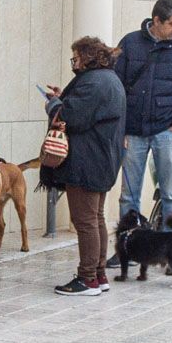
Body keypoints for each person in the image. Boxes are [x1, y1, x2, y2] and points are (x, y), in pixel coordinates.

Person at [46, 37, 127, 296]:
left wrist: (55, 105)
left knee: (85, 221)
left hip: (86, 161)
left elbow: (72, 117)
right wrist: (63, 99)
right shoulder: (108, 79)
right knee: (96, 217)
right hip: (102, 159)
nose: (74, 63)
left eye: (77, 57)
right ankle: (99, 274)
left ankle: (87, 278)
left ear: (88, 57)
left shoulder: (94, 82)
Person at [115, 0, 172, 220]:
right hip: (133, 132)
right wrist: (121, 127)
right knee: (128, 196)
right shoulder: (129, 42)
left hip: (167, 131)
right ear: (157, 20)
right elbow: (116, 87)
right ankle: (129, 246)